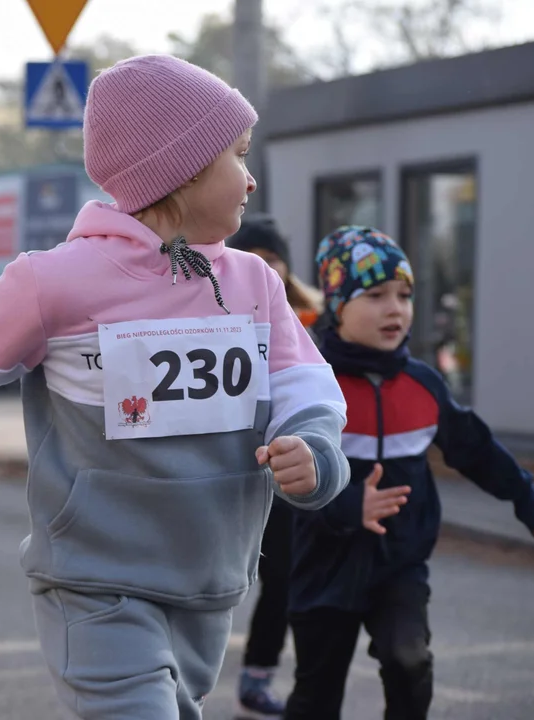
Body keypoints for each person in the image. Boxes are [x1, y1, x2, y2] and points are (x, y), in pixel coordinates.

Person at [0, 55, 350, 719]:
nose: (250, 181)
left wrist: (314, 451)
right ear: (181, 170)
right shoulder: (51, 281)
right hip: (94, 581)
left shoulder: (253, 282)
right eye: (237, 156)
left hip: (209, 581)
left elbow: (306, 387)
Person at [284, 226, 534, 720]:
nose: (395, 308)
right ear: (337, 305)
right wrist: (350, 503)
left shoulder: (423, 386)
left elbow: (477, 450)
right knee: (316, 696)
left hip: (399, 564)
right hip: (322, 566)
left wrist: (530, 505)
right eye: (375, 295)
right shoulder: (311, 381)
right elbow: (282, 475)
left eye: (405, 295)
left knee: (409, 661)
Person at [225, 214, 325, 718]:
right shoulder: (210, 309)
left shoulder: (314, 322)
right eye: (256, 259)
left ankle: (257, 676)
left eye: (275, 260)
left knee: (282, 577)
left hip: (285, 473)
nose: (267, 269)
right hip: (227, 473)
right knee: (216, 576)